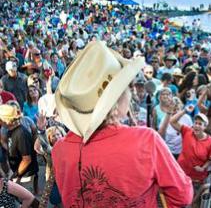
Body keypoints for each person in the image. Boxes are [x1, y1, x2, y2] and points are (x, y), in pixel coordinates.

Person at [52, 41, 193, 207]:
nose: (131, 92)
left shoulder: (59, 149)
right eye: (128, 87)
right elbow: (182, 196)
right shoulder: (146, 141)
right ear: (116, 100)